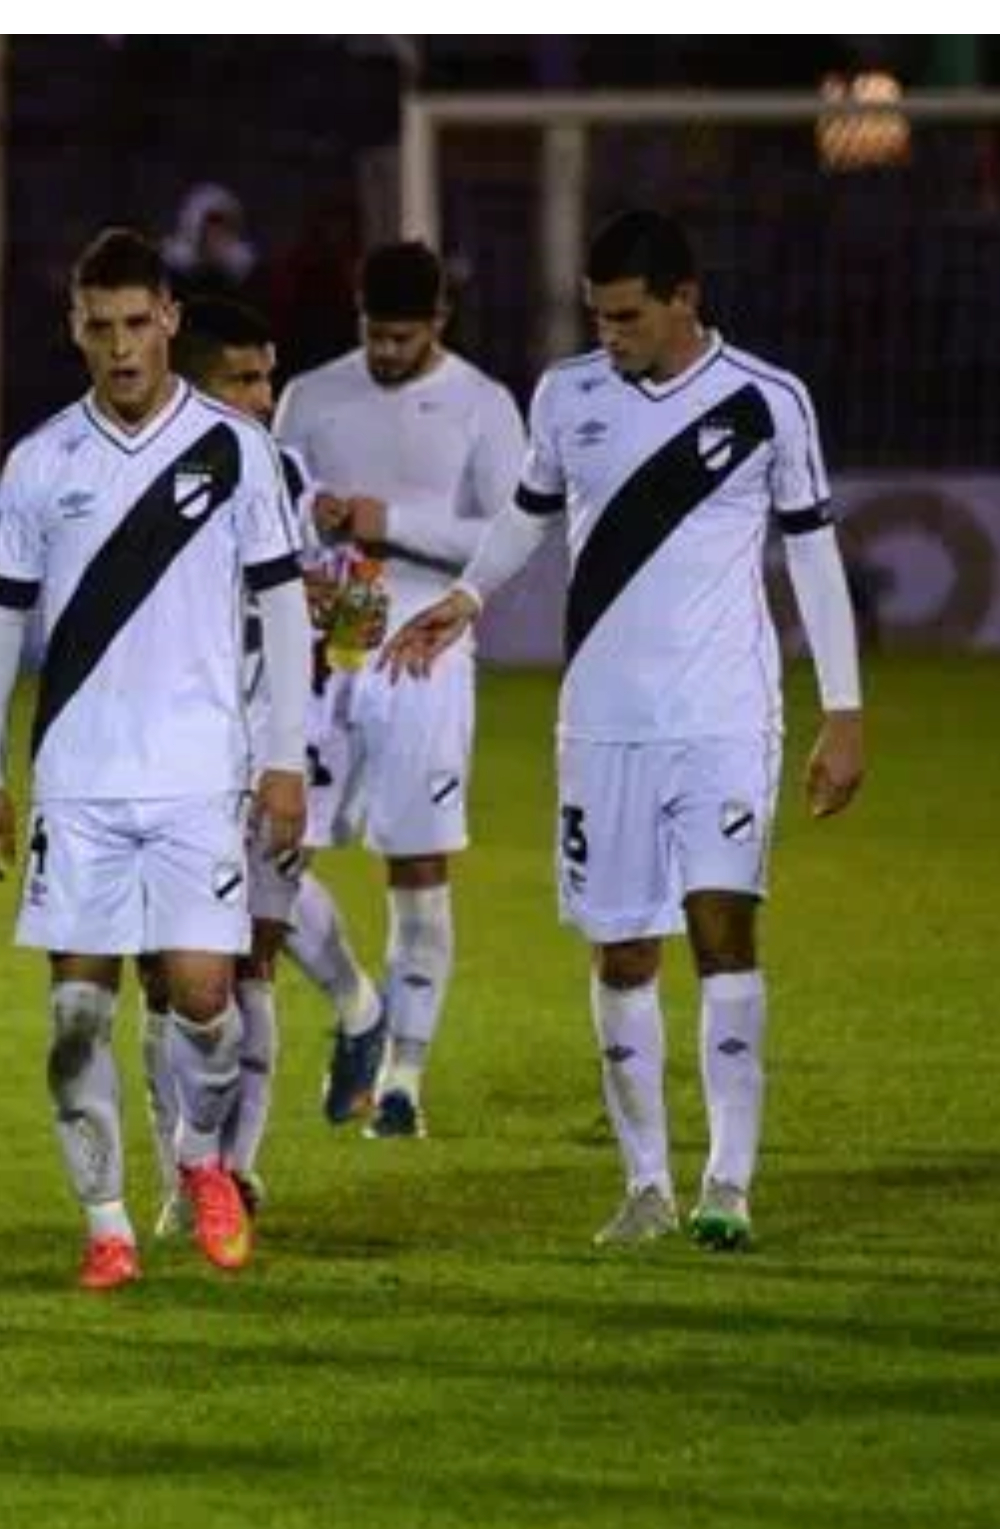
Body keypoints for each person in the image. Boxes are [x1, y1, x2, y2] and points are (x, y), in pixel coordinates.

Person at [380, 209, 865, 1251]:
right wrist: (465, 598)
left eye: (630, 316)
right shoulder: (567, 396)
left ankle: (727, 1184)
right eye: (598, 317)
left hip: (726, 716)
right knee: (623, 952)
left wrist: (844, 711)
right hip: (601, 727)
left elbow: (814, 557)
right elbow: (526, 515)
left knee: (723, 931)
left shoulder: (768, 402)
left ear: (686, 300)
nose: (611, 334)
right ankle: (645, 1184)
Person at [0, 231, 313, 1290]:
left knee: (205, 993)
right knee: (77, 1014)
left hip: (200, 774)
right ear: (76, 328)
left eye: (136, 324)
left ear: (168, 319)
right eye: (98, 326)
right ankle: (107, 1224)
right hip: (78, 779)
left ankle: (200, 1158)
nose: (119, 348)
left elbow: (286, 608)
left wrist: (284, 756)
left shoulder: (233, 450)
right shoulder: (41, 463)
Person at [276, 241, 530, 1139]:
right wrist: (313, 524)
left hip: (424, 652)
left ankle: (402, 1084)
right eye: (373, 335)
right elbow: (270, 509)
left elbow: (512, 535)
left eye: (402, 337)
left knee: (417, 866)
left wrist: (391, 522)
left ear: (439, 323)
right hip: (317, 654)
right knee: (267, 860)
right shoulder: (309, 397)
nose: (385, 353)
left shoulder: (484, 406)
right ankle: (356, 1003)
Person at [139, 294, 351, 1234]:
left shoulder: (288, 471)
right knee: (169, 977)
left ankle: (240, 1169)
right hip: (167, 750)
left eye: (269, 377)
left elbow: (314, 611)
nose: (266, 399)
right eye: (244, 379)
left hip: (269, 746)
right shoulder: (144, 466)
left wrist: (343, 615)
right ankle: (177, 1177)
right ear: (192, 379)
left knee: (255, 958)